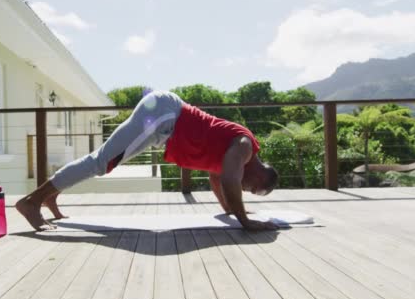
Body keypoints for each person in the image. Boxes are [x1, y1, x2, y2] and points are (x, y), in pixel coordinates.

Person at [16, 90, 279, 231]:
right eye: (254, 190)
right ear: (261, 176)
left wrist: (231, 211)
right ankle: (32, 201)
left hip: (165, 122)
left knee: (101, 162)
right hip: (165, 114)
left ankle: (49, 196)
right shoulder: (244, 147)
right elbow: (230, 179)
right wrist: (245, 221)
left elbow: (217, 179)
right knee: (102, 162)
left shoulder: (236, 157)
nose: (247, 191)